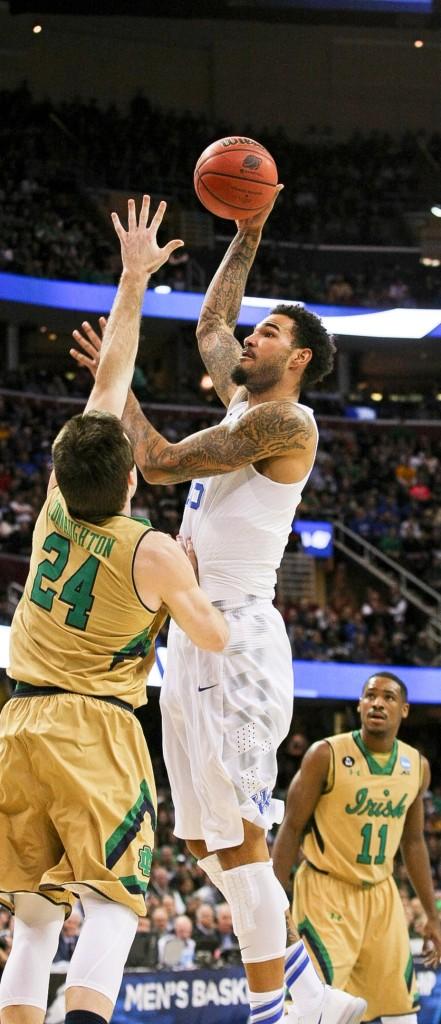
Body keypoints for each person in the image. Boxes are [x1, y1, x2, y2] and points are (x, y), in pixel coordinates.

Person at [71, 190, 366, 1024]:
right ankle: (307, 986)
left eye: (269, 332)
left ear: (300, 358)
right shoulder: (243, 399)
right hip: (192, 643)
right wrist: (248, 233)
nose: (249, 337)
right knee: (203, 841)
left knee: (238, 837)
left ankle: (274, 1010)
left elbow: (158, 464)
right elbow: (211, 324)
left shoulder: (285, 422)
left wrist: (114, 380)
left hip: (233, 635)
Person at [0, 196, 229, 1024]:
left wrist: (131, 278)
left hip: (18, 721)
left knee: (32, 925)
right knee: (111, 909)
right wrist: (197, 585)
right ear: (132, 478)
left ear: (62, 475)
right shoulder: (154, 551)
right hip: (95, 731)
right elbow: (213, 632)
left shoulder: (55, 508)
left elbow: (110, 380)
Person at [272, 671, 441, 1024]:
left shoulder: (416, 767)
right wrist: (274, 901)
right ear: (360, 704)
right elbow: (290, 828)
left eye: (388, 697)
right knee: (311, 1007)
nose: (378, 702)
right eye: (370, 695)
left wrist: (432, 914)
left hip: (382, 895)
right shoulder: (325, 754)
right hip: (326, 890)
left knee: (399, 1009)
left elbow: (413, 843)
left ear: (405, 710)